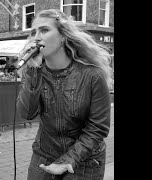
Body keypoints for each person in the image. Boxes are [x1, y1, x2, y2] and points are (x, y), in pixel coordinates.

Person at [16, 9, 112, 180]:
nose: (36, 37)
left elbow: (98, 128)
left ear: (62, 37)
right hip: (43, 157)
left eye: (44, 30)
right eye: (33, 32)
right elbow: (27, 114)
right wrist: (33, 71)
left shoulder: (92, 75)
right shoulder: (36, 73)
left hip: (85, 161)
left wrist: (69, 159)